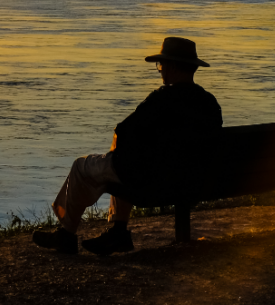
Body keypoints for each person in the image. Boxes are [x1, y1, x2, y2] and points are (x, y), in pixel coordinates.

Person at [31, 36, 223, 256]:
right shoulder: (210, 103)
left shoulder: (161, 100)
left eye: (160, 65)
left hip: (151, 183)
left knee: (82, 166)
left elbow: (123, 131)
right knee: (127, 160)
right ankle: (118, 232)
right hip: (193, 181)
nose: (160, 70)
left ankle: (67, 234)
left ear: (170, 66)